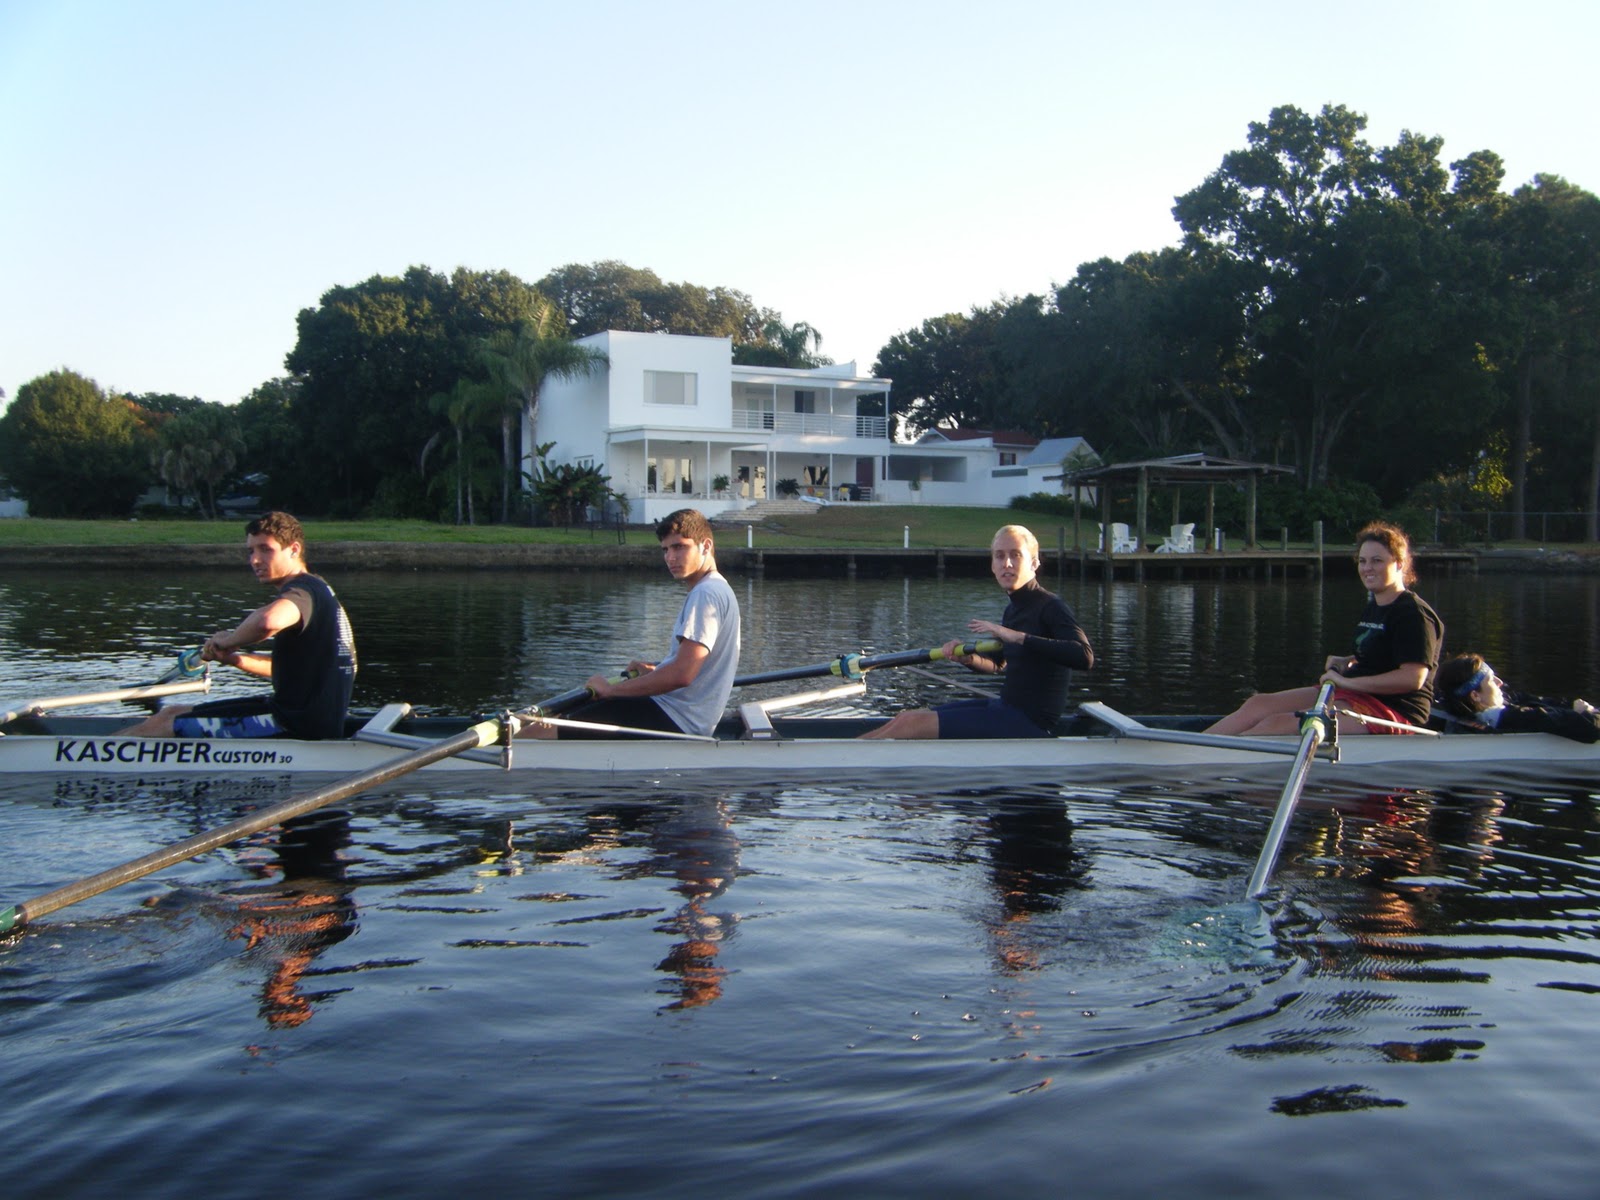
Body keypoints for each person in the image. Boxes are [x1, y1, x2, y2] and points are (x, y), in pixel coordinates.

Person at [120, 511, 357, 739]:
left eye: (266, 550)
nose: (255, 560)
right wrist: (234, 658)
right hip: (303, 715)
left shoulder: (303, 592)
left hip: (294, 725)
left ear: (294, 549)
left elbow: (268, 621)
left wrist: (228, 639)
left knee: (162, 725)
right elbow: (285, 670)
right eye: (251, 551)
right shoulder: (320, 590)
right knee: (170, 713)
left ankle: (88, 758)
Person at [1206, 521, 1443, 737]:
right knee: (1259, 704)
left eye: (1377, 560)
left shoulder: (1413, 613)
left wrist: (1347, 683)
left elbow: (1413, 677)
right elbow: (1384, 650)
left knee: (1275, 725)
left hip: (1395, 711)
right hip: (1359, 694)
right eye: (1362, 561)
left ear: (1399, 564)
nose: (1367, 568)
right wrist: (1348, 660)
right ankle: (1191, 746)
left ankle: (1207, 758)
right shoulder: (1377, 605)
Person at [860, 524, 1094, 739]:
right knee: (906, 717)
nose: (1007, 563)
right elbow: (997, 664)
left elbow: (1084, 657)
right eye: (1000, 556)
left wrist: (1015, 636)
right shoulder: (1013, 610)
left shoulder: (1051, 606)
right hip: (1006, 708)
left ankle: (840, 762)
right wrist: (967, 658)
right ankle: (846, 755)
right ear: (992, 565)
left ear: (1034, 563)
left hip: (1031, 722)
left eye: (1016, 555)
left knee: (911, 725)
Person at [527, 508, 740, 739]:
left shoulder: (705, 594)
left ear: (705, 546)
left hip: (676, 719)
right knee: (561, 717)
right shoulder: (720, 588)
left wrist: (611, 690)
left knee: (543, 729)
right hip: (681, 713)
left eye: (679, 547)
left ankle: (495, 756)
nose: (670, 557)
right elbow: (691, 667)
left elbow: (682, 675)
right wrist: (656, 672)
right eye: (666, 550)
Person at [1435, 653, 1600, 743]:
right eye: (1492, 680)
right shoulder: (1515, 718)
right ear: (1475, 696)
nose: (1500, 683)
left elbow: (1525, 699)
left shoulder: (1462, 710)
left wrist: (1571, 705)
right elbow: (1590, 728)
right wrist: (1586, 714)